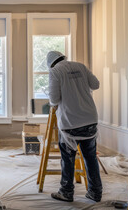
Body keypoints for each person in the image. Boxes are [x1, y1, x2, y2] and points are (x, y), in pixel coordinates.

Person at [46, 51, 102, 202]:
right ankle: (95, 193)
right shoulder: (80, 66)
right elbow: (95, 85)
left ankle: (66, 192)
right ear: (63, 58)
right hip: (90, 119)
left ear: (51, 63)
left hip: (71, 123)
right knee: (90, 158)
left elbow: (54, 98)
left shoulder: (55, 71)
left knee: (68, 158)